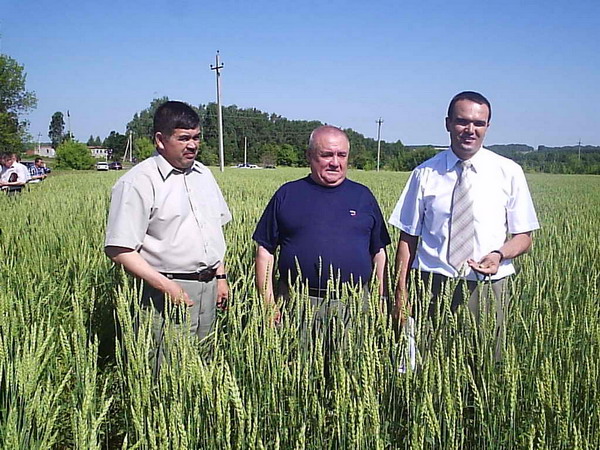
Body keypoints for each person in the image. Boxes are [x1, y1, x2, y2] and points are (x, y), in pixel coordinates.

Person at [389, 91, 540, 359]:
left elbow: (524, 237)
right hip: (431, 286)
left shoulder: (508, 172)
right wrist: (401, 293)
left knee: (484, 367)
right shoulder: (424, 174)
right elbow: (407, 238)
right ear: (448, 123)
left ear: (487, 127)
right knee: (429, 367)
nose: (470, 130)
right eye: (462, 121)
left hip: (487, 287)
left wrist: (499, 255)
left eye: (478, 123)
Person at [104, 101, 231, 371]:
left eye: (196, 137)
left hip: (209, 291)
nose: (193, 145)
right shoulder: (138, 182)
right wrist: (168, 287)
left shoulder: (204, 175)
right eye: (183, 138)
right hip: (165, 293)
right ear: (160, 140)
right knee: (166, 373)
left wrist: (220, 277)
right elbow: (119, 249)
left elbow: (213, 232)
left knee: (203, 367)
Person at [253, 125, 391, 327]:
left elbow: (378, 252)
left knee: (349, 360)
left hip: (353, 304)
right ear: (309, 156)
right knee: (297, 359)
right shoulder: (287, 195)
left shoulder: (363, 197)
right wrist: (268, 303)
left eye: (342, 155)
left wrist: (381, 299)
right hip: (298, 303)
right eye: (327, 155)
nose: (335, 163)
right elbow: (265, 250)